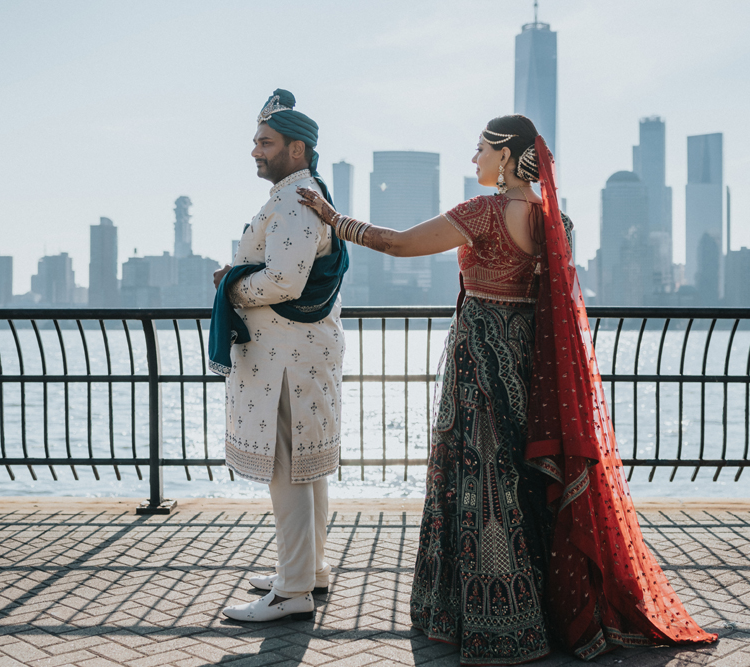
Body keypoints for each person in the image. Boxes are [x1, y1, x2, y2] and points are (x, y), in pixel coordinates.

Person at [297, 115, 718, 662]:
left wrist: (333, 219)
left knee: (476, 481)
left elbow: (399, 245)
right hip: (533, 371)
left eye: (480, 151)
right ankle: (543, 615)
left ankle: (492, 621)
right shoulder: (556, 221)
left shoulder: (484, 214)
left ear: (506, 155)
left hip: (478, 368)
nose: (473, 161)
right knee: (525, 482)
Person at [210, 89, 348, 623]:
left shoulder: (294, 199)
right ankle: (309, 572)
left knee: (287, 470)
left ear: (297, 149)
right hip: (303, 354)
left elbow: (286, 281)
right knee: (308, 469)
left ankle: (291, 594)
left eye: (265, 143)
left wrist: (231, 287)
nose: (254, 152)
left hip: (285, 359)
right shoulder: (306, 194)